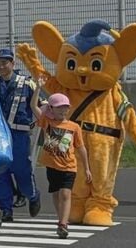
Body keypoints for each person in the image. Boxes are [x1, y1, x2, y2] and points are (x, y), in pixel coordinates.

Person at [0, 48, 42, 222]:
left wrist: (36, 125)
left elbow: (39, 105)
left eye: (4, 63)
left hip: (20, 134)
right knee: (0, 172)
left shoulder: (27, 83)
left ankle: (33, 195)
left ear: (13, 63)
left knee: (22, 171)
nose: (1, 66)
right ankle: (6, 209)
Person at [34, 94, 92, 239]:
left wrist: (87, 168)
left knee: (65, 194)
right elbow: (33, 107)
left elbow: (81, 148)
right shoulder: (46, 121)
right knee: (55, 193)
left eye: (65, 108)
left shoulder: (74, 127)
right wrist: (38, 89)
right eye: (59, 108)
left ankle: (63, 224)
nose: (63, 110)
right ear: (51, 108)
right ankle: (61, 219)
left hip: (69, 166)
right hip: (52, 165)